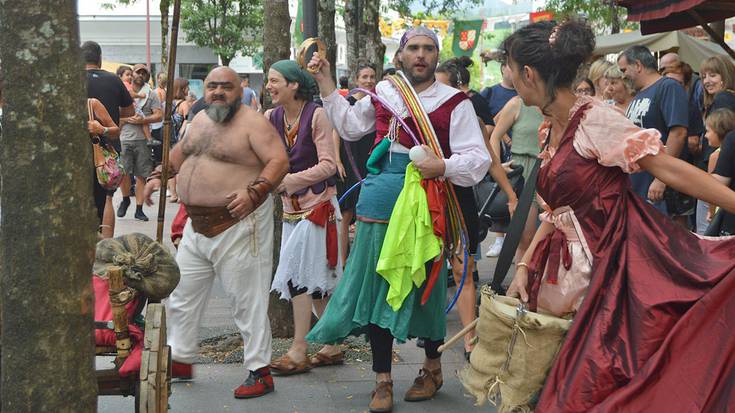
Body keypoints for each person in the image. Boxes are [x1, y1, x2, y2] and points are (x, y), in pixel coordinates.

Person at [501, 20, 735, 412]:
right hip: (566, 275)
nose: (507, 76)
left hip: (614, 271)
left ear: (527, 73)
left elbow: (668, 168)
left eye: (509, 67)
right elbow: (557, 212)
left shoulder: (594, 119)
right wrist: (524, 263)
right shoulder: (550, 129)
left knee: (596, 385)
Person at [305, 27, 490, 413]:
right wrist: (325, 84)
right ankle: (382, 379)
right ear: (401, 55)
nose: (421, 55)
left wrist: (443, 165)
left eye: (429, 48)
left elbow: (477, 159)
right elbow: (353, 126)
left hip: (430, 198)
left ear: (437, 57)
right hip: (381, 195)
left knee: (427, 285)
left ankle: (432, 367)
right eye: (414, 48)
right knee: (375, 285)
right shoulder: (387, 92)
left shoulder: (456, 102)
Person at [142, 66, 290, 399]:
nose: (218, 92)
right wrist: (157, 175)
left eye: (226, 86)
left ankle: (259, 370)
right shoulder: (201, 122)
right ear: (204, 90)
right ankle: (180, 357)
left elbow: (279, 161)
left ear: (240, 90)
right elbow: (179, 157)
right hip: (196, 225)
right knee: (181, 295)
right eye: (212, 86)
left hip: (239, 223)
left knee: (246, 299)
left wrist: (254, 191)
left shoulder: (254, 123)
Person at [263, 60, 344, 375]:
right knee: (315, 279)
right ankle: (333, 342)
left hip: (319, 207)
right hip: (291, 210)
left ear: (293, 85)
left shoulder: (317, 114)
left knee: (298, 277)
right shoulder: (271, 117)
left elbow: (328, 164)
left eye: (274, 80)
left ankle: (299, 350)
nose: (269, 86)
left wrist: (288, 181)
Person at [434, 56, 492, 359]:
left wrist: (509, 193)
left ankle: (469, 340)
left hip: (459, 194)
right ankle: (429, 332)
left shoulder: (467, 115)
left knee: (464, 269)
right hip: (427, 196)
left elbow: (487, 159)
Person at [618, 45, 690, 224]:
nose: (623, 75)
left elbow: (678, 132)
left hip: (660, 189)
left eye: (624, 69)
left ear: (638, 65)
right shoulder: (638, 95)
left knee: (667, 244)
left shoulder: (668, 86)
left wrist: (661, 179)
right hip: (639, 186)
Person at [83, 41, 135, 238]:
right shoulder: (113, 80)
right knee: (106, 199)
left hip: (79, 152)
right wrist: (110, 116)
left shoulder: (69, 82)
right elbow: (129, 111)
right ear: (99, 59)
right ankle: (106, 244)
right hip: (107, 150)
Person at [334, 62, 377, 265]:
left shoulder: (378, 104)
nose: (368, 80)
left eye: (372, 77)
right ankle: (343, 262)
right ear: (356, 80)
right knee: (345, 214)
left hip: (369, 160)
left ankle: (359, 262)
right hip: (348, 158)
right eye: (364, 77)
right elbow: (337, 131)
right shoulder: (347, 102)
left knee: (364, 213)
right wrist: (337, 160)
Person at [479, 59, 518, 258]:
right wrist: (504, 136)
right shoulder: (490, 92)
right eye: (510, 66)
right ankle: (499, 239)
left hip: (518, 149)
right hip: (498, 149)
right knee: (499, 192)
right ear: (503, 68)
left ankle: (513, 242)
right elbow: (489, 122)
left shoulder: (523, 93)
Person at [117, 64, 162, 222]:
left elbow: (159, 115)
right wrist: (126, 119)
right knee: (123, 173)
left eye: (144, 73)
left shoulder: (151, 94)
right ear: (132, 74)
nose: (140, 75)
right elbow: (114, 113)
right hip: (124, 137)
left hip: (142, 140)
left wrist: (144, 119)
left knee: (141, 174)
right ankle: (125, 199)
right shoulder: (122, 91)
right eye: (138, 72)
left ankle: (139, 209)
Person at [698, 56, 735, 233]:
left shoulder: (723, 99)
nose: (707, 81)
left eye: (712, 75)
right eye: (703, 76)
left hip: (718, 171)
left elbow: (722, 144)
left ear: (725, 75)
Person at [704, 108, 735, 235]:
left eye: (707, 131)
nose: (705, 135)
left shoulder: (715, 156)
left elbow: (714, 188)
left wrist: (711, 212)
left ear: (719, 131)